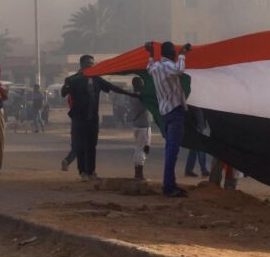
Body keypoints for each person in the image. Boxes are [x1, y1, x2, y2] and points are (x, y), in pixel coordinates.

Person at [61, 55, 138, 181]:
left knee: (92, 145)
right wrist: (66, 84)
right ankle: (83, 173)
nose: (90, 65)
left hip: (93, 118)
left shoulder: (97, 79)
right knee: (80, 146)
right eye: (88, 63)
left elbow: (113, 88)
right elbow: (63, 93)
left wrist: (131, 94)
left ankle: (91, 172)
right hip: (79, 118)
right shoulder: (73, 79)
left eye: (92, 63)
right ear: (82, 64)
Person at [146, 41, 191, 197]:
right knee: (172, 151)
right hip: (175, 110)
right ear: (172, 54)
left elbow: (149, 67)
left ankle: (170, 184)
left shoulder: (156, 67)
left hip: (165, 112)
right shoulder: (167, 66)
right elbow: (180, 70)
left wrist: (151, 54)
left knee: (170, 150)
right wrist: (183, 55)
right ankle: (168, 187)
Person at [130, 76, 151, 180]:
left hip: (137, 125)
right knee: (141, 150)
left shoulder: (132, 96)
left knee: (140, 148)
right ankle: (139, 175)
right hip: (144, 126)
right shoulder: (141, 97)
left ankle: (138, 174)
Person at [60, 94, 76, 171]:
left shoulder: (70, 95)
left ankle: (67, 161)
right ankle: (87, 171)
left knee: (76, 147)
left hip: (74, 122)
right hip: (83, 123)